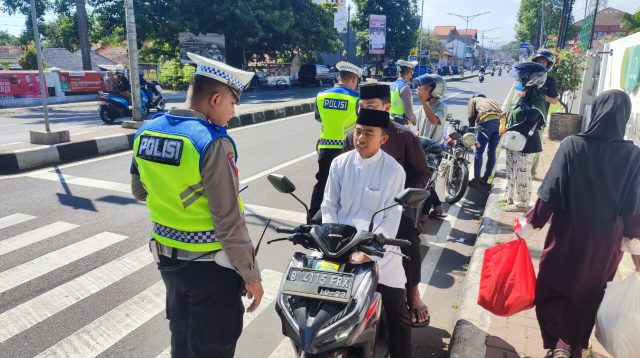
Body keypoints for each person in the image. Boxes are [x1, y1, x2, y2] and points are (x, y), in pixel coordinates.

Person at [130, 52, 263, 358]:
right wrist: (252, 276)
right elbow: (228, 222)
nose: (233, 112)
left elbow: (140, 190)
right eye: (232, 103)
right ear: (215, 100)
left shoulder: (146, 131)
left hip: (168, 262)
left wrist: (177, 192)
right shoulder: (212, 142)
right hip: (211, 270)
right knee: (212, 348)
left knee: (182, 340)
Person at [514, 90, 640, 358]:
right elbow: (633, 208)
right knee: (591, 290)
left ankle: (560, 343)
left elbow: (550, 191)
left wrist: (528, 226)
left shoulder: (572, 145)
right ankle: (572, 344)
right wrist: (636, 251)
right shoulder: (634, 156)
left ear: (595, 112)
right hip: (605, 244)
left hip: (568, 234)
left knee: (554, 282)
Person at [322, 108, 411, 357]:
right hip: (340, 246)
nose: (360, 138)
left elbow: (391, 217)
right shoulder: (340, 163)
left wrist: (370, 253)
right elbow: (329, 205)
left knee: (397, 312)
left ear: (383, 139)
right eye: (357, 132)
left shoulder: (393, 171)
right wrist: (330, 238)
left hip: (378, 250)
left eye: (368, 133)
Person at [343, 83, 432, 327]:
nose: (362, 137)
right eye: (362, 107)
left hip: (394, 207)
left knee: (409, 239)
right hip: (357, 207)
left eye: (372, 106)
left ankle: (413, 295)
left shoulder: (404, 136)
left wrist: (402, 200)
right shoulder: (353, 136)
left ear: (387, 107)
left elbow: (421, 172)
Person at [309, 61, 362, 217]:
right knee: (346, 187)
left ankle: (312, 219)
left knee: (322, 183)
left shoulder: (322, 95)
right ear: (353, 79)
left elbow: (319, 118)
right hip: (348, 150)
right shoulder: (356, 99)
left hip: (325, 149)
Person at [503, 62, 547, 212]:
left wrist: (522, 101)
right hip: (515, 139)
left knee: (522, 173)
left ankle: (522, 203)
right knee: (511, 170)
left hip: (525, 142)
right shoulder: (525, 93)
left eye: (521, 76)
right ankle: (510, 197)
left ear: (531, 78)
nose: (518, 79)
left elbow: (533, 115)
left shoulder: (537, 96)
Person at [415, 74, 448, 219]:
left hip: (433, 151)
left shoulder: (441, 107)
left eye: (426, 86)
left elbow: (434, 120)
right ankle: (438, 207)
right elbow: (417, 126)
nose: (421, 88)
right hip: (420, 147)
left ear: (435, 90)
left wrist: (423, 103)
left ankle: (423, 216)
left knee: (428, 182)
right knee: (422, 180)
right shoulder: (424, 106)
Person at [531, 49, 559, 177]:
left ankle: (532, 171)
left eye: (544, 61)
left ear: (548, 64)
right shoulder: (528, 77)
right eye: (538, 61)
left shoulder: (551, 81)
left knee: (535, 144)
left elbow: (554, 101)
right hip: (524, 114)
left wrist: (541, 96)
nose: (541, 63)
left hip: (539, 118)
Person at [467, 93, 502, 187]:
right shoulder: (491, 100)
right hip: (501, 124)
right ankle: (486, 178)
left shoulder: (473, 100)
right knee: (492, 151)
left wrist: (470, 134)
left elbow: (471, 117)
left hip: (487, 122)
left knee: (479, 151)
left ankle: (476, 180)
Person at [390, 60, 419, 126]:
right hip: (401, 123)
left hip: (391, 120)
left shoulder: (393, 84)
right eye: (412, 71)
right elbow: (408, 111)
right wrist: (414, 120)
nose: (412, 74)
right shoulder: (405, 87)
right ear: (408, 72)